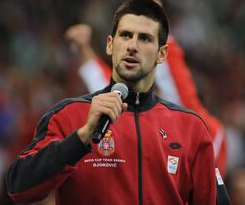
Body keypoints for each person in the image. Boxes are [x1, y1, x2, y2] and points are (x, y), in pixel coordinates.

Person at [6, 0, 230, 204]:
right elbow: (18, 187)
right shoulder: (68, 115)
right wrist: (82, 136)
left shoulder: (190, 128)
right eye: (126, 35)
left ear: (162, 54)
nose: (133, 45)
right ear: (110, 45)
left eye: (144, 38)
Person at [65, 21, 229, 177]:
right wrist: (84, 47)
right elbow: (105, 85)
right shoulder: (129, 114)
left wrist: (159, 29)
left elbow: (180, 88)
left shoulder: (204, 131)